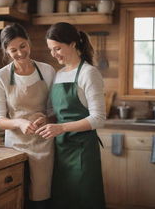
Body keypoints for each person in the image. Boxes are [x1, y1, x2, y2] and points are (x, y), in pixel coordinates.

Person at [36, 22, 106, 209]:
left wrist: (61, 127)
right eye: (51, 49)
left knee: (83, 200)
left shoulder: (89, 73)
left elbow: (98, 118)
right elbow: (56, 113)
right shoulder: (58, 75)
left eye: (57, 48)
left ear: (73, 43)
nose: (54, 54)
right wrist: (47, 120)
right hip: (61, 149)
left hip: (83, 151)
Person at [0, 23, 55, 209]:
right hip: (15, 147)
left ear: (29, 42)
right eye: (13, 50)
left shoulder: (47, 71)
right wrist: (18, 122)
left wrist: (47, 118)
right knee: (16, 197)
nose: (20, 53)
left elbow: (54, 112)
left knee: (41, 200)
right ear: (5, 51)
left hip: (44, 145)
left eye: (23, 46)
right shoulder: (1, 77)